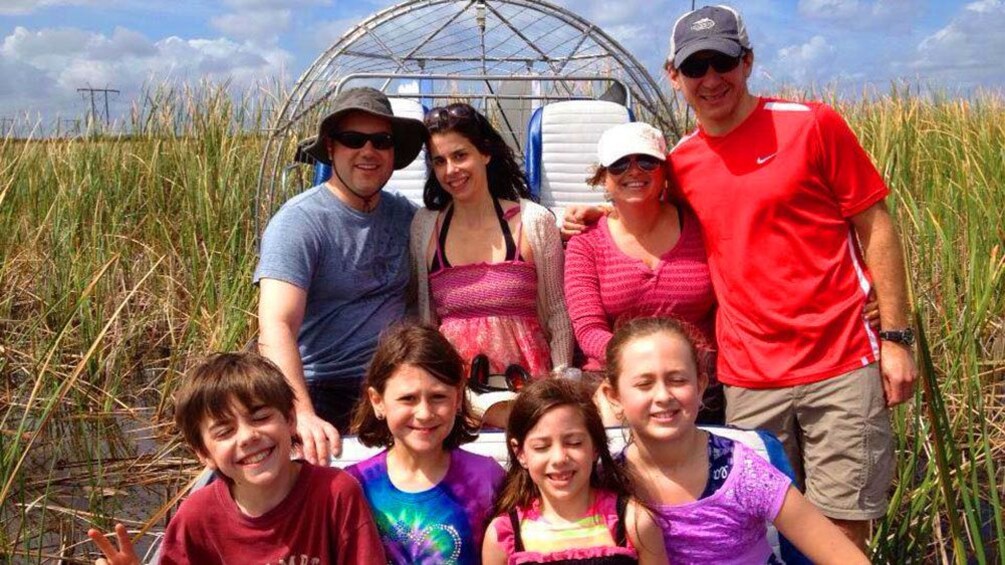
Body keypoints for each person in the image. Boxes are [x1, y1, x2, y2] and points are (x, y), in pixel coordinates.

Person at [568, 5, 917, 549]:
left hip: (841, 361)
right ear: (673, 76)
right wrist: (599, 214)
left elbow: (876, 225)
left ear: (748, 61)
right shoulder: (680, 163)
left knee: (845, 530)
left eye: (722, 61)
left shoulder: (812, 124)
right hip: (749, 377)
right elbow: (648, 208)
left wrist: (895, 336)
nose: (710, 79)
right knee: (756, 528)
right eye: (695, 67)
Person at [601, 317, 870, 564]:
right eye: (644, 384)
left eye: (677, 380)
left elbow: (844, 557)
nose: (662, 395)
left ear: (701, 386)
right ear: (614, 396)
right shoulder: (606, 482)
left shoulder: (742, 471)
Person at [254, 87, 427, 464]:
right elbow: (276, 324)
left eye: (381, 141)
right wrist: (301, 412)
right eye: (353, 139)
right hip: (323, 385)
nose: (368, 151)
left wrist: (574, 223)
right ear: (331, 148)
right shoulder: (299, 222)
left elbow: (470, 235)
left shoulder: (408, 217)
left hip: (397, 382)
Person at [86, 352, 385, 564]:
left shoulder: (336, 493)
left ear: (290, 420)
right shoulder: (197, 517)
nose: (247, 437)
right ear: (204, 454)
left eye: (260, 417)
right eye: (224, 431)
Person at [563, 121, 719, 423]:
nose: (634, 172)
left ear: (664, 173)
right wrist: (646, 363)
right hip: (619, 382)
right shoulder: (587, 242)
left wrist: (681, 367)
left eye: (647, 161)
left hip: (697, 383)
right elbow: (588, 329)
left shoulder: (701, 229)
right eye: (620, 165)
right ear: (604, 179)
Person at [410, 102, 574, 380]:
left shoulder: (532, 221)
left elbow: (558, 312)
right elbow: (424, 320)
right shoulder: (425, 227)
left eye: (460, 156)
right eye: (439, 161)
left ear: (485, 153)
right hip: (454, 393)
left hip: (527, 389)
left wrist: (560, 379)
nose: (450, 170)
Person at [346, 322, 506, 564]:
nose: (424, 413)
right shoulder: (355, 486)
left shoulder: (488, 478)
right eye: (408, 398)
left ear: (458, 398)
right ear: (377, 401)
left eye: (438, 397)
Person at [482, 377, 666, 564]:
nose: (560, 458)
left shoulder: (634, 523)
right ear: (520, 453)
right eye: (541, 446)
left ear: (595, 446)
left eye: (574, 443)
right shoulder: (503, 536)